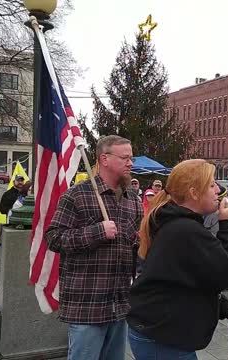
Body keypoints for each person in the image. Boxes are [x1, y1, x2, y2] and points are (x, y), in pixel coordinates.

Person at [127, 159, 228, 359]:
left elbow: (193, 278)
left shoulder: (177, 223)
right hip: (163, 338)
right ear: (193, 192)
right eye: (211, 184)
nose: (218, 189)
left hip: (159, 332)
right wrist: (227, 225)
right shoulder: (186, 229)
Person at [45, 135, 143, 360]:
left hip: (119, 305)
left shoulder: (133, 200)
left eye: (131, 158)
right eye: (125, 158)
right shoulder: (77, 195)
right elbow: (54, 238)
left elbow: (134, 245)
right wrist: (98, 232)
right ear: (104, 159)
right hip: (87, 306)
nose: (130, 163)